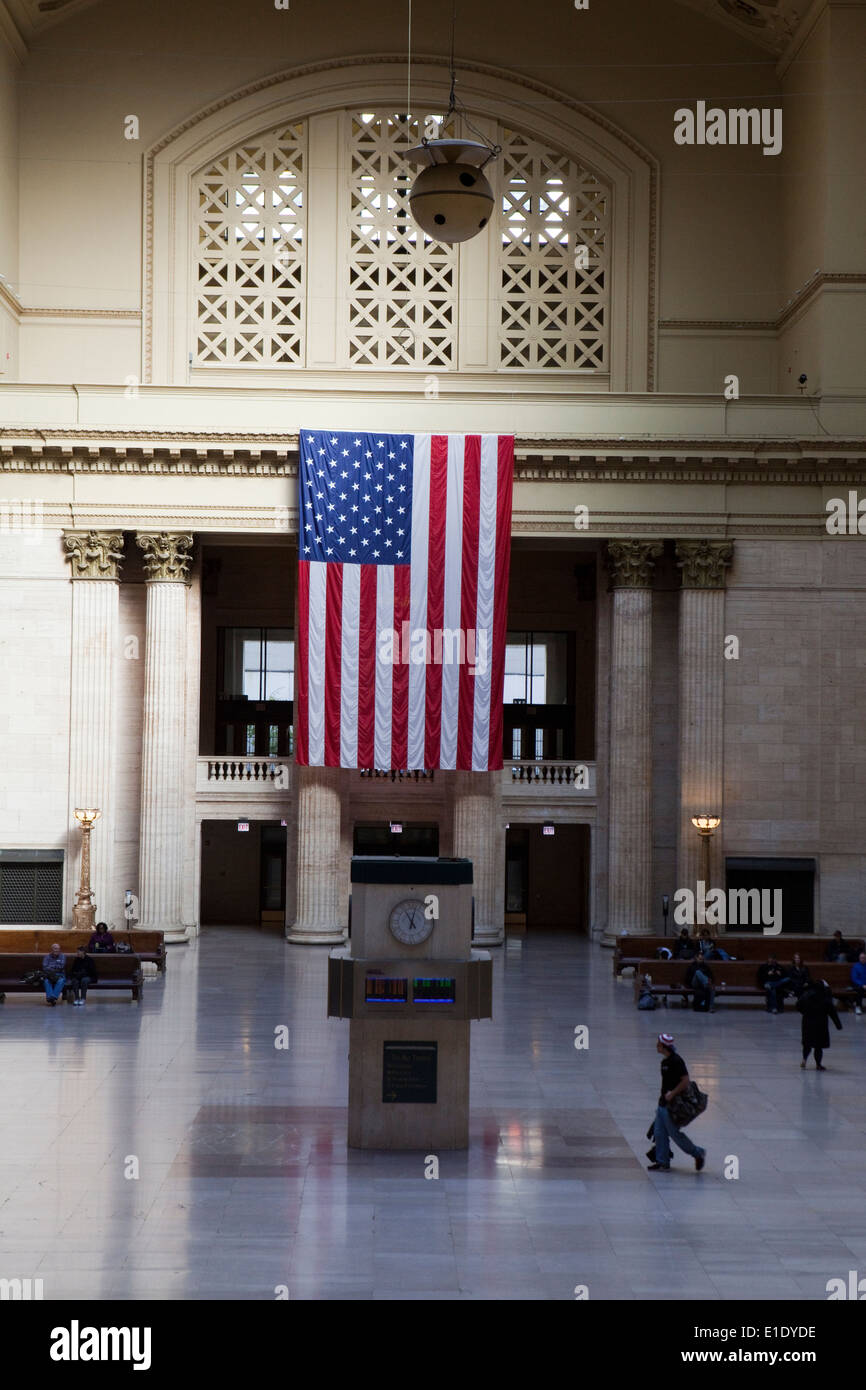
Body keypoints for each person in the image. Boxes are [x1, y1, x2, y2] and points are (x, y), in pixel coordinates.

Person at [647, 1033, 706, 1172]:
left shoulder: (676, 1061)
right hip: (663, 1104)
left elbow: (685, 1081)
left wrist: (671, 1094)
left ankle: (698, 1153)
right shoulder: (665, 1062)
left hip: (672, 1105)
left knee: (675, 1135)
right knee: (659, 1133)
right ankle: (662, 1162)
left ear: (663, 1046)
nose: (656, 1046)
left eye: (658, 1044)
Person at [798, 979, 842, 1069]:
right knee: (818, 1046)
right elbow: (832, 1012)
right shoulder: (825, 997)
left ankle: (804, 1059)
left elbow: (798, 1005)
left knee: (807, 1043)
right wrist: (838, 1025)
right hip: (820, 1023)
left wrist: (804, 1012)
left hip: (807, 1022)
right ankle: (818, 1064)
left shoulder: (807, 995)